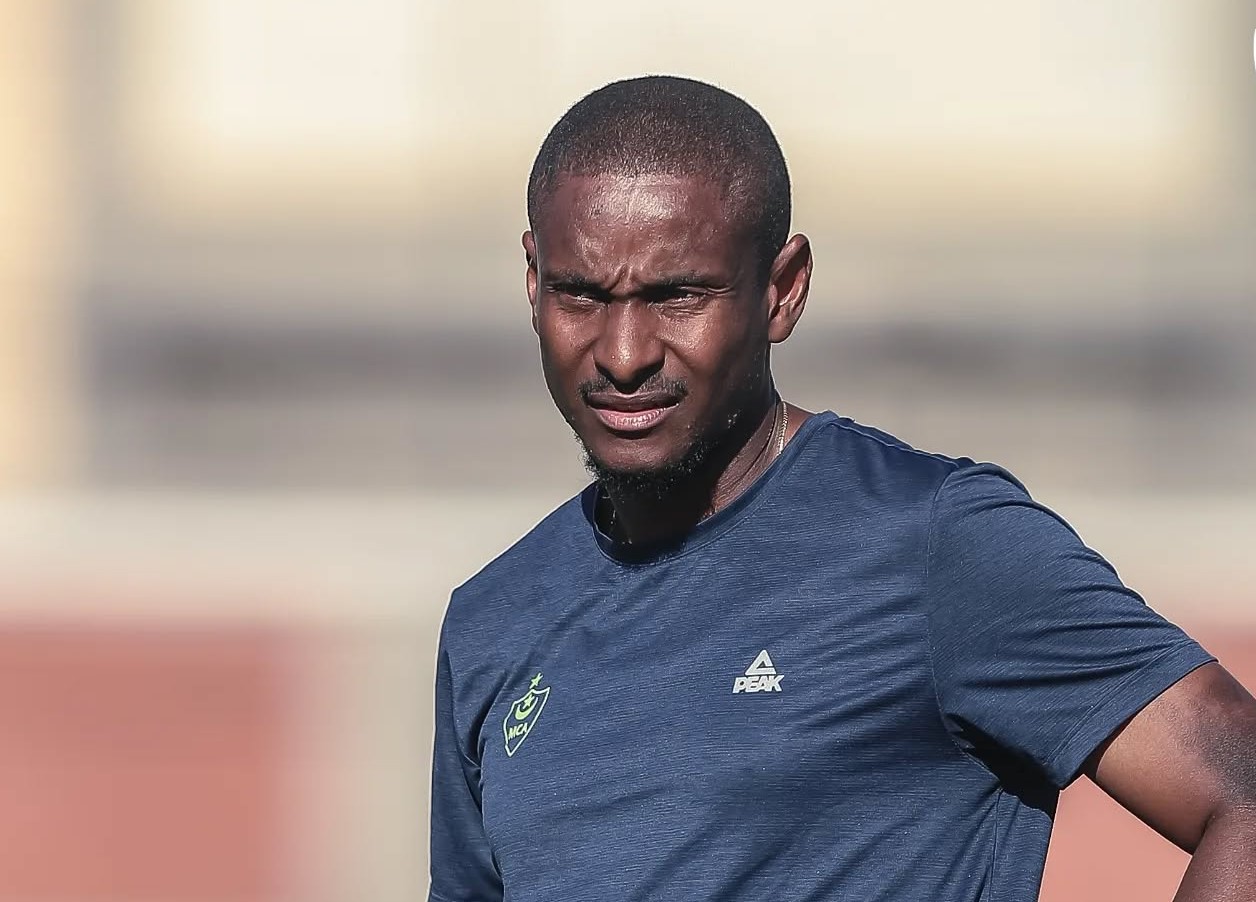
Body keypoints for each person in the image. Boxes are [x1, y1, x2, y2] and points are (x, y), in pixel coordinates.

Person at [429, 75, 1256, 902]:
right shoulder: (492, 619)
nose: (623, 354)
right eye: (581, 295)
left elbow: (1244, 797)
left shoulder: (939, 545)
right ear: (533, 280)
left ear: (783, 289)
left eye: (676, 296)